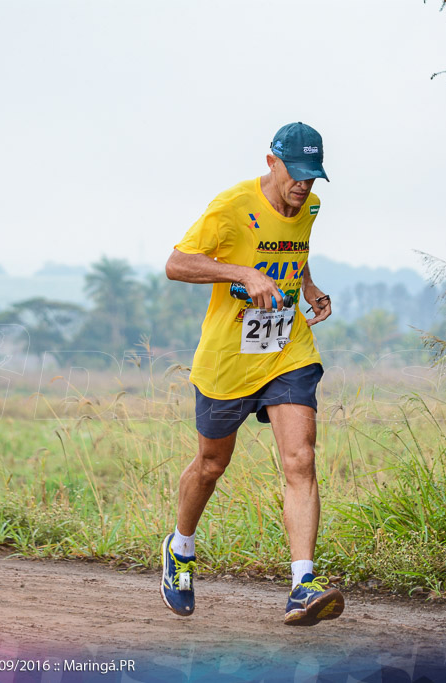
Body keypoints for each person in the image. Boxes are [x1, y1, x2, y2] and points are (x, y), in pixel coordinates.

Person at [159, 122, 343, 626]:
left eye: (313, 176)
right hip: (228, 358)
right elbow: (177, 263)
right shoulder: (231, 207)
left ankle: (303, 585)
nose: (304, 186)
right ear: (272, 163)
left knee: (300, 458)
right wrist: (242, 274)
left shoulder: (310, 207)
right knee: (211, 465)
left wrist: (308, 289)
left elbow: (292, 251)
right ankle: (180, 547)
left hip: (286, 349)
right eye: (297, 174)